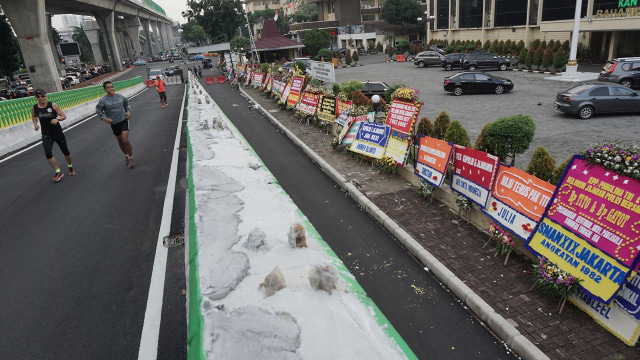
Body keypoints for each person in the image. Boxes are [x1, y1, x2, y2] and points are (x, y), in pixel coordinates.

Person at [31, 89, 75, 182]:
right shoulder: (34, 108)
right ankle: (58, 171)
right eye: (38, 97)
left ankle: (70, 165)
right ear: (35, 98)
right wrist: (35, 124)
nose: (41, 98)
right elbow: (34, 116)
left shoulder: (52, 105)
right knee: (48, 153)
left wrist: (57, 120)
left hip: (57, 132)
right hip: (46, 134)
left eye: (42, 96)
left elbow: (63, 116)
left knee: (66, 152)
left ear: (46, 96)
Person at [95, 81, 135, 169]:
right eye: (108, 87)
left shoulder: (120, 97)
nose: (111, 89)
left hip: (123, 120)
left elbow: (126, 104)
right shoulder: (103, 100)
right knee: (120, 141)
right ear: (105, 89)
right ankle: (126, 155)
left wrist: (128, 111)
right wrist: (105, 118)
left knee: (125, 140)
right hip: (114, 123)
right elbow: (98, 110)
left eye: (112, 87)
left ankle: (131, 158)